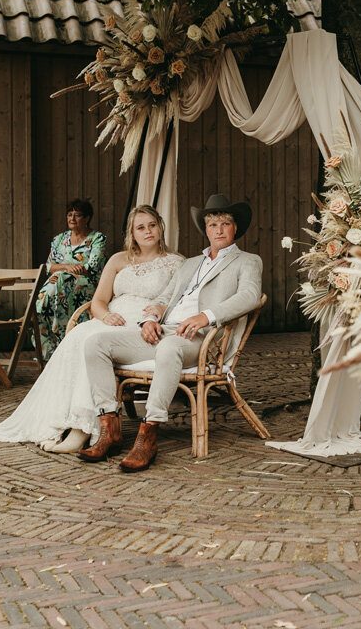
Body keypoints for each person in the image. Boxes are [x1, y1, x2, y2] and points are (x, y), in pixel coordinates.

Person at [77, 193, 263, 473]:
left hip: (202, 340)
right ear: (206, 230)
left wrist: (205, 317)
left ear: (235, 228)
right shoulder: (189, 264)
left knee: (169, 348)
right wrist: (149, 320)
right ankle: (110, 428)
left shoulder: (247, 261)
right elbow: (164, 298)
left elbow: (250, 295)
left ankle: (148, 434)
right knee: (96, 344)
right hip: (165, 332)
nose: (219, 230)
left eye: (225, 224)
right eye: (213, 225)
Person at [0, 206, 183, 452]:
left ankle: (82, 428)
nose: (148, 231)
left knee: (93, 343)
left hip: (140, 325)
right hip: (111, 318)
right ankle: (62, 421)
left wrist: (154, 317)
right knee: (78, 336)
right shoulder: (119, 260)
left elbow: (175, 303)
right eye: (141, 227)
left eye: (152, 225)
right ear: (132, 233)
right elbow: (98, 301)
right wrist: (106, 316)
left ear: (160, 226)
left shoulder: (177, 262)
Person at [35, 198, 108, 358]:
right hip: (57, 284)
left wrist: (68, 271)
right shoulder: (59, 239)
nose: (72, 219)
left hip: (87, 284)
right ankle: (47, 350)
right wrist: (67, 268)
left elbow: (93, 267)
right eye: (69, 214)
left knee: (58, 284)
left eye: (77, 215)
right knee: (56, 283)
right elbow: (48, 266)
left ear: (87, 218)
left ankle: (63, 343)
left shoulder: (97, 238)